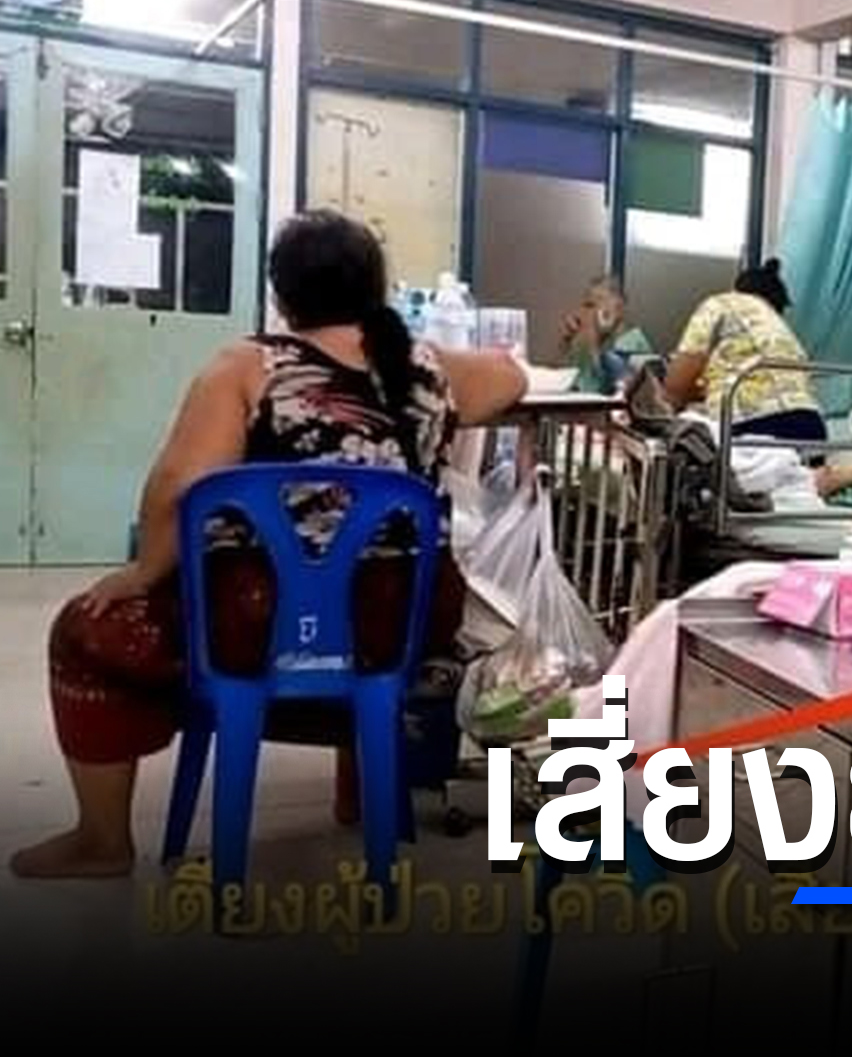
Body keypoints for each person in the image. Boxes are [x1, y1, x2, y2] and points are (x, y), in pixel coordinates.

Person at [10, 210, 528, 879]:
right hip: (399, 631)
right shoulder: (427, 369)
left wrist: (141, 573)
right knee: (357, 588)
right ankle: (358, 791)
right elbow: (510, 377)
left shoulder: (248, 366)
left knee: (86, 630)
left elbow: (175, 487)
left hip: (261, 628)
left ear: (282, 295)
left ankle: (101, 841)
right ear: (375, 290)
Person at [662, 258, 826, 442]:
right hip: (813, 427)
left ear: (736, 289)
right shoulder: (785, 334)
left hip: (753, 424)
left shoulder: (721, 304)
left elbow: (676, 386)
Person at [562, 276, 652, 396]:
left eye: (601, 300)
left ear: (620, 306)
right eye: (589, 305)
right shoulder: (591, 343)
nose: (594, 311)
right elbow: (572, 383)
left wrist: (595, 341)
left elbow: (612, 390)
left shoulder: (633, 341)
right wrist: (567, 340)